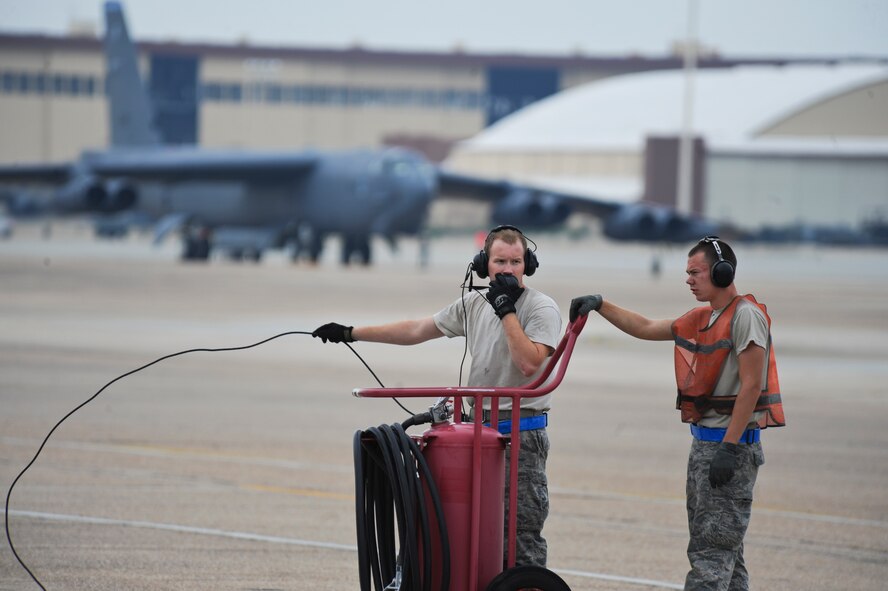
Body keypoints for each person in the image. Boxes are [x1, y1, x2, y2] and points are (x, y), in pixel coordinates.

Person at [313, 225, 562, 567]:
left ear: (527, 265)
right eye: (500, 261)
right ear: (483, 265)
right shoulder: (474, 304)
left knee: (518, 537)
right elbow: (417, 329)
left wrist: (506, 310)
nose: (507, 270)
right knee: (468, 529)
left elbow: (528, 362)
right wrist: (351, 333)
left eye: (515, 262)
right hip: (479, 433)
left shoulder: (540, 308)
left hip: (521, 435)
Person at [570, 236, 785, 591]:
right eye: (687, 273)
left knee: (710, 555)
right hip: (706, 447)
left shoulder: (745, 316)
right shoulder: (705, 317)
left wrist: (729, 448)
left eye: (696, 272)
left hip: (728, 450)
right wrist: (600, 305)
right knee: (723, 554)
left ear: (721, 272)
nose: (688, 279)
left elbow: (751, 386)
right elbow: (645, 327)